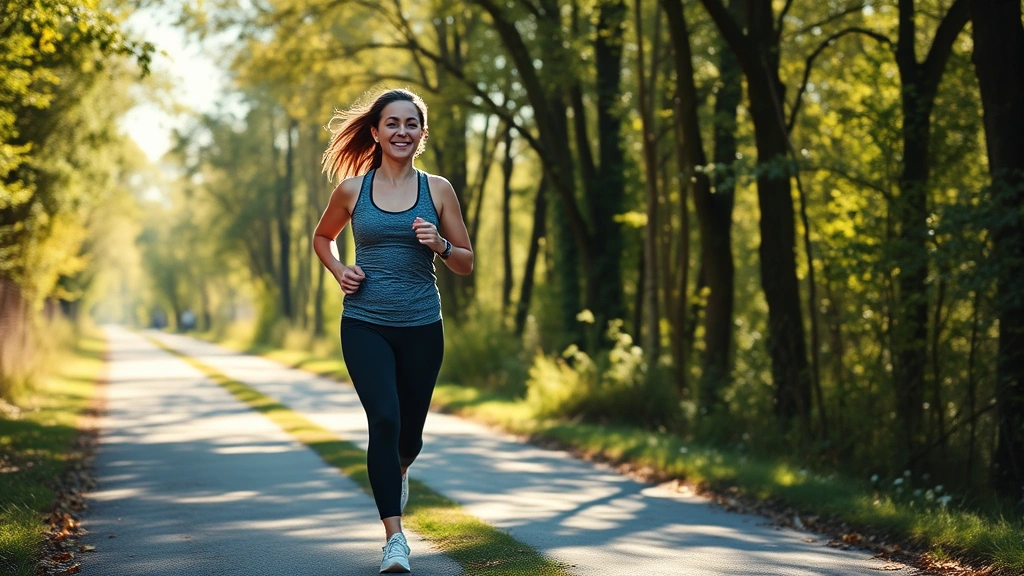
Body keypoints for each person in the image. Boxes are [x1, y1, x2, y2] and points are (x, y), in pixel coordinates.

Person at [312, 88, 473, 573]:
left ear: (421, 134)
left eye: (411, 124)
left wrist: (440, 243)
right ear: (377, 132)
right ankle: (395, 540)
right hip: (364, 322)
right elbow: (323, 238)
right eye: (392, 123)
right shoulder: (352, 190)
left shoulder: (438, 189)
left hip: (422, 325)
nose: (401, 131)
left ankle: (398, 468)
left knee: (410, 437)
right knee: (383, 420)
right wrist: (339, 270)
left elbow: (465, 262)